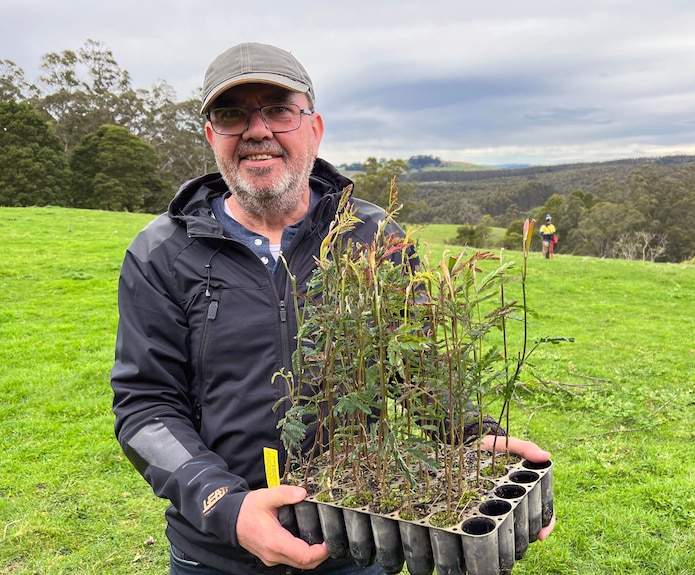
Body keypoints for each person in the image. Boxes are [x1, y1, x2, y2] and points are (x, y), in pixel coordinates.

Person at [111, 42, 554, 575]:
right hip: (216, 554)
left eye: (278, 109)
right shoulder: (161, 252)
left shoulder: (373, 236)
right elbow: (145, 408)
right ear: (212, 137)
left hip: (360, 537)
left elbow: (415, 367)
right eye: (232, 115)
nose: (257, 130)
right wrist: (225, 506)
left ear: (314, 128)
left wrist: (467, 431)